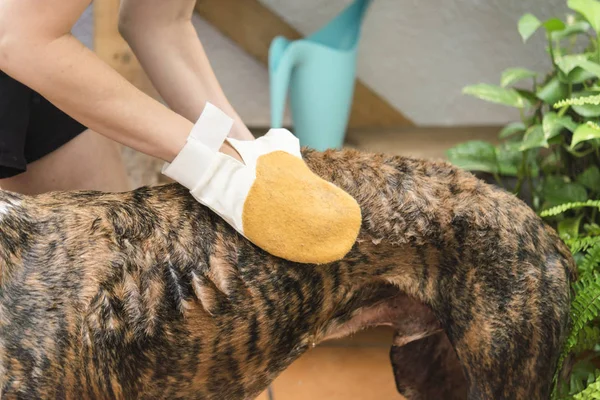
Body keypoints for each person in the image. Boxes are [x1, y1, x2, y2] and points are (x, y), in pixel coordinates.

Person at [0, 0, 362, 264]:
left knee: (121, 273)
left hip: (25, 45)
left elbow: (158, 23)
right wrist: (212, 164)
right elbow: (17, 37)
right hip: (18, 37)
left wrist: (250, 156)